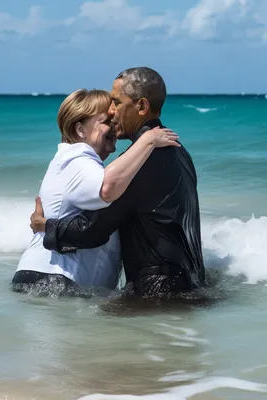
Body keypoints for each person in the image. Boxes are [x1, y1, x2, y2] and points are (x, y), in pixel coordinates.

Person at [30, 67, 206, 299]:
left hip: (157, 291)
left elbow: (93, 230)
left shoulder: (140, 160)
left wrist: (45, 226)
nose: (111, 112)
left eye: (116, 102)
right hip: (190, 281)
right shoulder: (180, 152)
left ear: (142, 107)